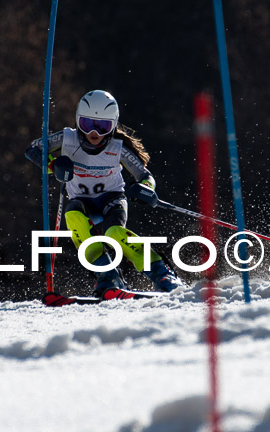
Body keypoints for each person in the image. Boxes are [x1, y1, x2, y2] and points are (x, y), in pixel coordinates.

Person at [25, 90, 182, 296]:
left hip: (111, 199)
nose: (95, 133)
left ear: (113, 125)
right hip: (82, 201)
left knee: (114, 233)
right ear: (78, 121)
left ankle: (161, 272)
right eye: (88, 124)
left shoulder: (117, 148)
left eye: (103, 126)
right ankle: (108, 276)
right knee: (73, 216)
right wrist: (53, 165)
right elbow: (33, 150)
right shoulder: (67, 138)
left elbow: (145, 175)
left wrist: (147, 189)